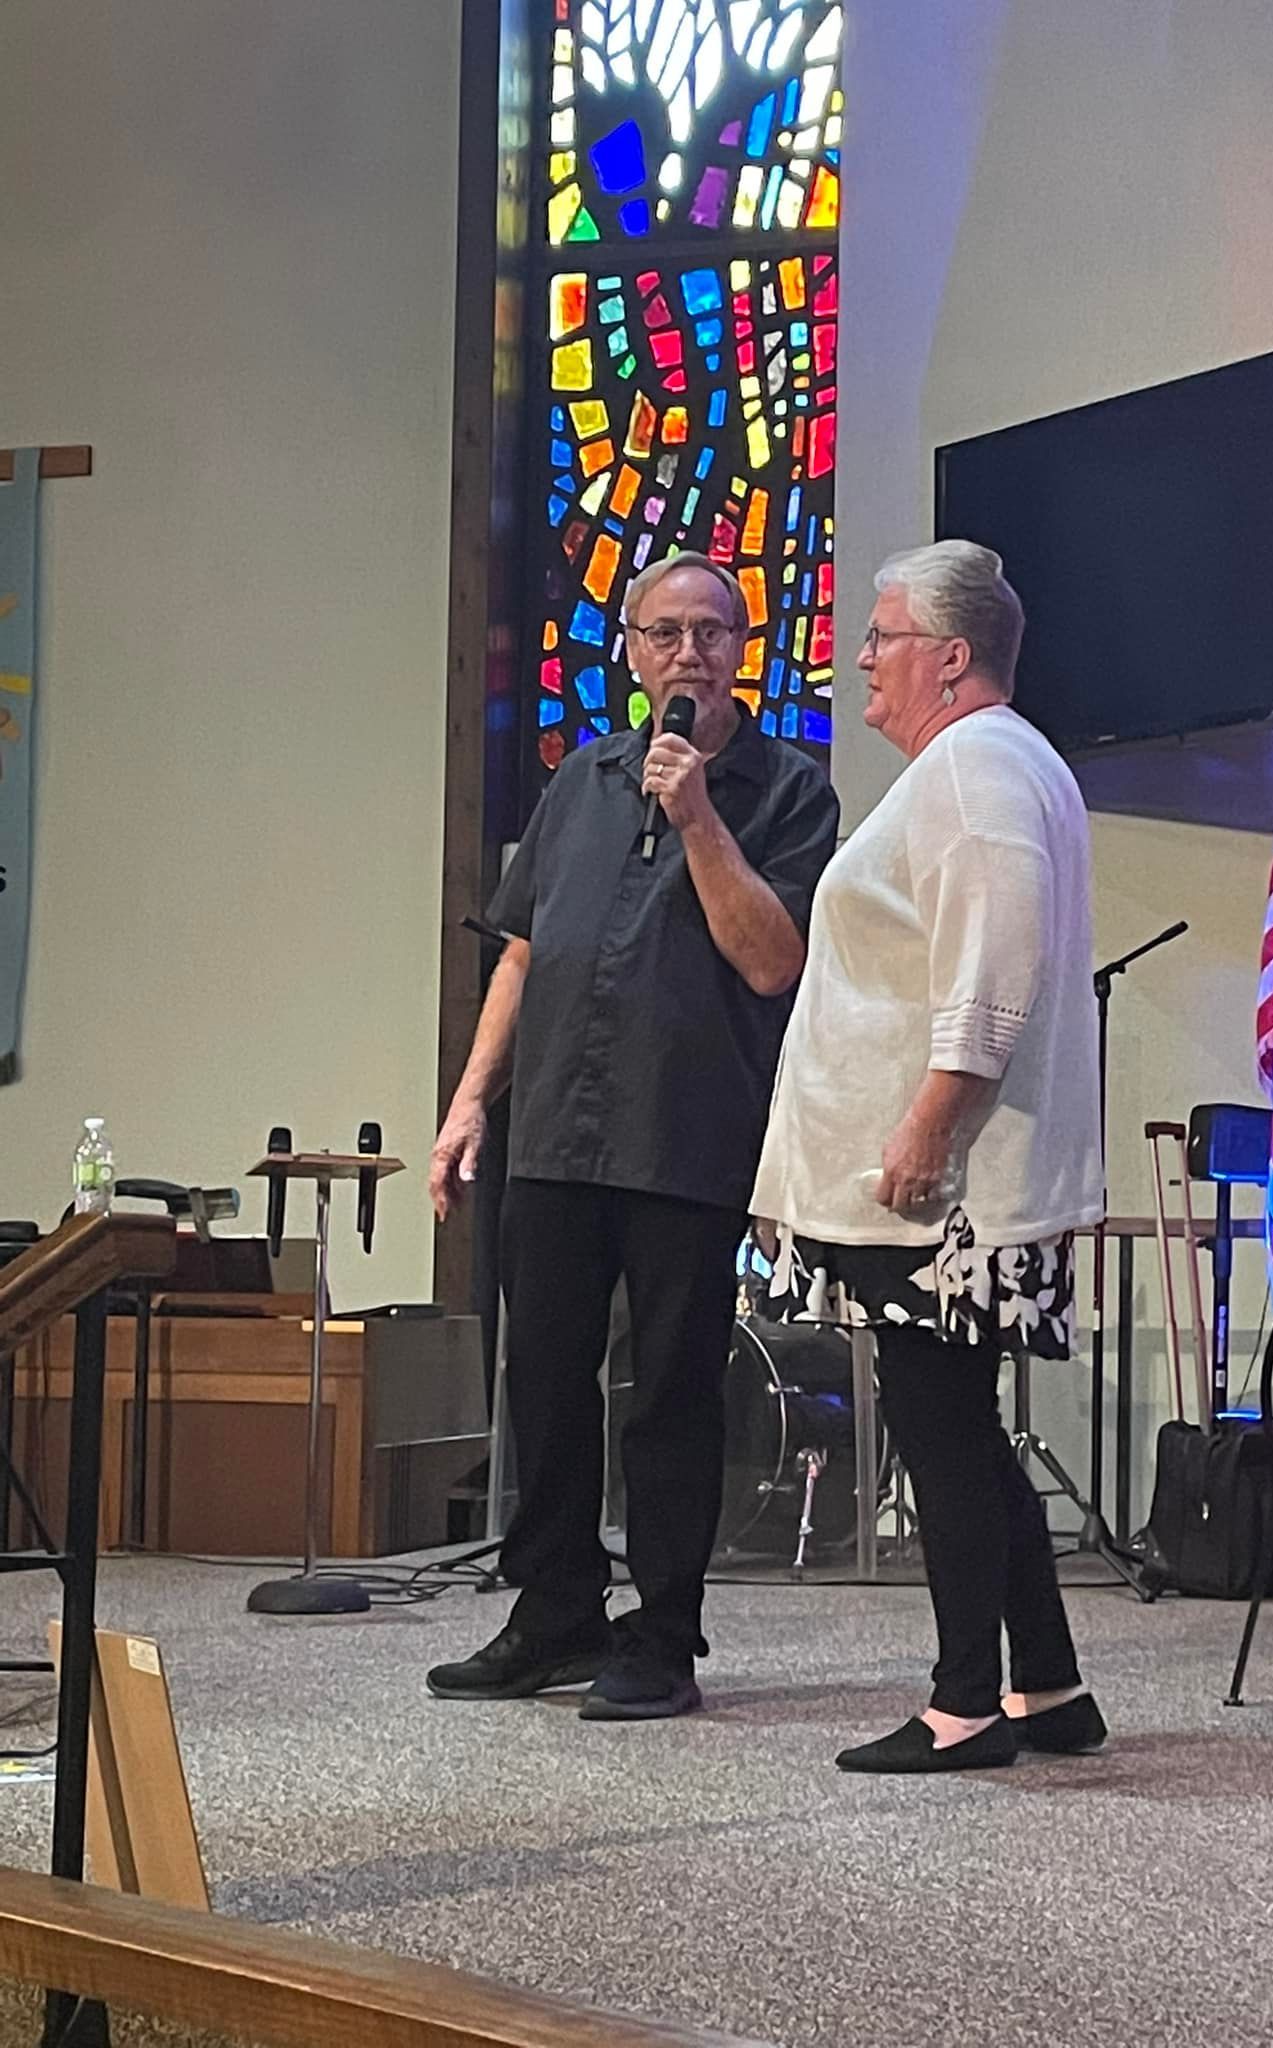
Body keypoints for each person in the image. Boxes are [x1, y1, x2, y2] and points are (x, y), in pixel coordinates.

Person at [427, 553, 839, 1721]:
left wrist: (698, 811)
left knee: (668, 1395)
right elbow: (523, 952)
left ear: (742, 650)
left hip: (687, 1131)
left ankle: (662, 1634)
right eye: (667, 631)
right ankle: (553, 1610)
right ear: (631, 649)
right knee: (544, 1383)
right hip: (555, 1123)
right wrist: (469, 1104)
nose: (690, 652)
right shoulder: (580, 781)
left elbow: (772, 958)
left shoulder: (788, 789)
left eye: (714, 631)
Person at [752, 539, 1106, 1773]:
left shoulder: (975, 767)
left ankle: (965, 1702)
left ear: (951, 657)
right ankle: (1048, 1685)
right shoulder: (991, 763)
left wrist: (925, 1125)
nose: (862, 656)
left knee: (941, 1428)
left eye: (884, 634)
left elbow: (992, 964)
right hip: (946, 1180)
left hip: (945, 1193)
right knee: (959, 1422)